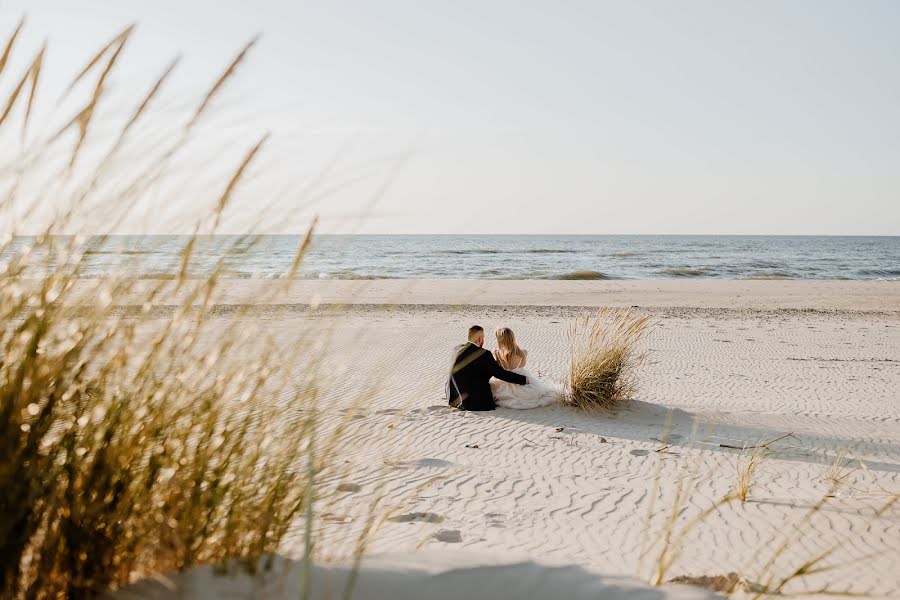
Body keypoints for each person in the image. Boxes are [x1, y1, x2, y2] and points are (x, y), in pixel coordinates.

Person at [446, 325, 527, 411]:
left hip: (454, 399)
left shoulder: (456, 349)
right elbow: (501, 374)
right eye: (483, 338)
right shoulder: (483, 354)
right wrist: (523, 380)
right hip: (474, 403)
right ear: (480, 339)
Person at [490, 327, 559, 409]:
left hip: (505, 379)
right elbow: (522, 365)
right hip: (521, 378)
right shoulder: (523, 352)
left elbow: (498, 369)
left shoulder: (496, 353)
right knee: (536, 393)